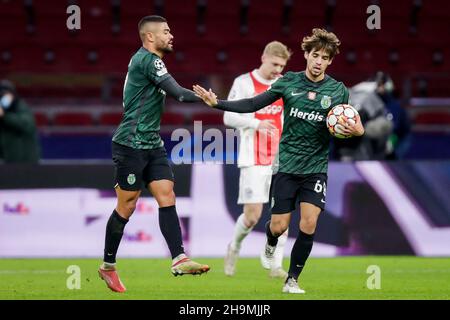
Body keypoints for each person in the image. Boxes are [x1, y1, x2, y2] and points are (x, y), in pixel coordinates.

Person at [194, 28, 365, 293]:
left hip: (315, 168)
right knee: (277, 225)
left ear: (331, 61)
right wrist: (218, 104)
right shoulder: (288, 83)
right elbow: (252, 103)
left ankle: (291, 280)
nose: (319, 61)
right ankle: (266, 244)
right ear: (307, 55)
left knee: (308, 223)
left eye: (325, 58)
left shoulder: (338, 91)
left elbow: (347, 126)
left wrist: (357, 131)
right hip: (284, 165)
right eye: (315, 55)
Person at [98, 15, 209, 293]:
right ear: (150, 37)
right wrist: (208, 99)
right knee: (127, 205)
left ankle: (178, 258)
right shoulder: (149, 60)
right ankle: (108, 266)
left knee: (166, 194)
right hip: (130, 143)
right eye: (166, 31)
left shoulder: (149, 61)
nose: (171, 36)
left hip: (152, 143)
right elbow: (179, 94)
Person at [223, 41, 291, 278]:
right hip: (253, 157)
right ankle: (234, 247)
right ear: (263, 57)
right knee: (252, 216)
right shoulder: (243, 83)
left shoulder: (285, 84)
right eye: (274, 64)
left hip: (283, 159)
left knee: (283, 213)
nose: (277, 70)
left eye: (282, 65)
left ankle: (276, 265)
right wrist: (255, 123)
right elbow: (228, 118)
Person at [0, 80, 40, 164]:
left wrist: (5, 116)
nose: (3, 97)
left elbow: (26, 125)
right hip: (9, 163)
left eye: (5, 94)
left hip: (27, 163)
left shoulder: (21, 107)